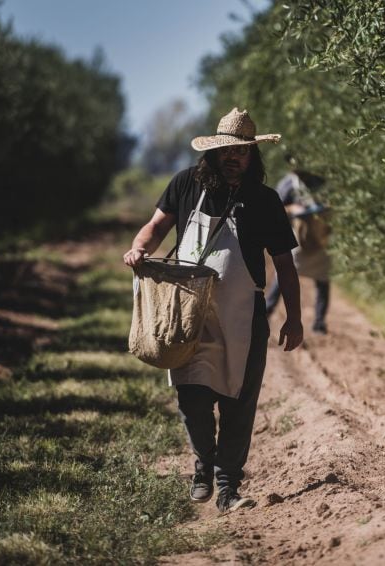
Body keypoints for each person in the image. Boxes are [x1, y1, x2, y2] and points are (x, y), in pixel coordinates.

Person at [123, 108, 303, 513]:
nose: (233, 157)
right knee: (192, 398)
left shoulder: (265, 200)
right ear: (214, 152)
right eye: (226, 150)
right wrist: (139, 248)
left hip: (244, 317)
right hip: (186, 314)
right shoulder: (186, 183)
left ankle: (228, 487)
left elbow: (285, 265)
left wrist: (294, 317)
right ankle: (203, 464)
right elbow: (155, 227)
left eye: (241, 151)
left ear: (252, 156)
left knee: (240, 404)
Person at [265, 154, 331, 334]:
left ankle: (319, 323)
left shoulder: (319, 182)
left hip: (318, 238)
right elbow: (275, 208)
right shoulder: (288, 184)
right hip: (298, 238)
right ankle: (265, 313)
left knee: (323, 279)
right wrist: (293, 209)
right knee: (284, 276)